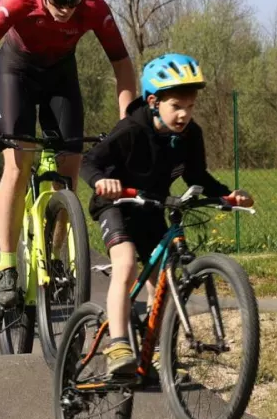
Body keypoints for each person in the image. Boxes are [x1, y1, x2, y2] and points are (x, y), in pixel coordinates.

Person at [0, 0, 138, 308]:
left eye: (73, 1)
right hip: (16, 73)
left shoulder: (94, 8)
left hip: (60, 77)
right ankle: (7, 266)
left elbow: (121, 63)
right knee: (18, 163)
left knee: (70, 167)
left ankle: (54, 256)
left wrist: (127, 121)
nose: (66, 10)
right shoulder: (16, 2)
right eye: (58, 1)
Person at [80, 53, 254, 376]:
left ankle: (155, 347)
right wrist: (101, 181)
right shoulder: (131, 130)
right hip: (116, 205)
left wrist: (229, 195)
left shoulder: (191, 135)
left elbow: (197, 176)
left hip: (152, 207)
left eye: (190, 106)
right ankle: (118, 344)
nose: (184, 114)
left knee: (164, 276)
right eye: (176, 106)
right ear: (153, 102)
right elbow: (89, 162)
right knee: (126, 265)